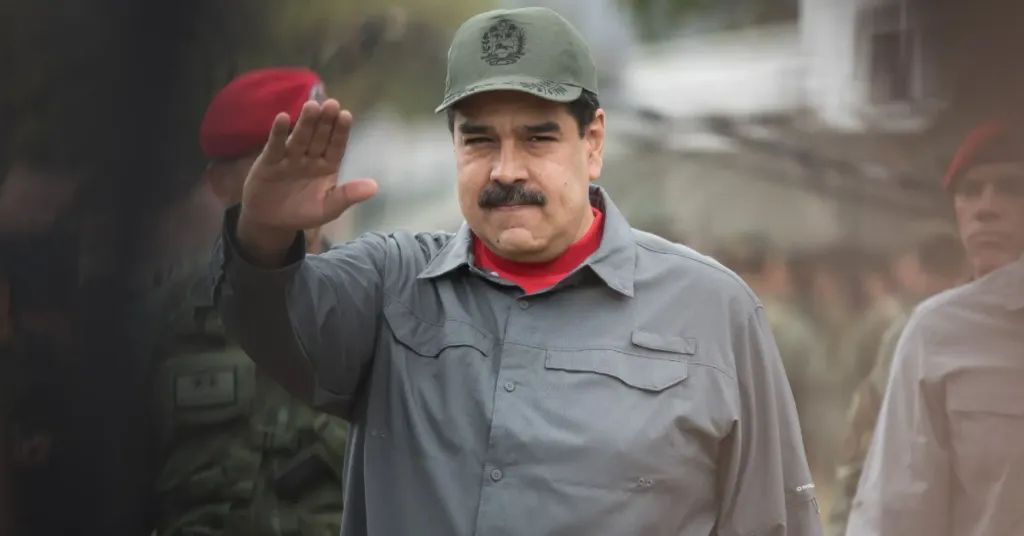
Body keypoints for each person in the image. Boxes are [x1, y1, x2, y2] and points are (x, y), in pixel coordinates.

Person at [216, 8, 822, 535]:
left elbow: (772, 519)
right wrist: (264, 230)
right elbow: (270, 320)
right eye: (479, 141)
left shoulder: (713, 310)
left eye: (538, 139)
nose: (506, 170)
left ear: (593, 143)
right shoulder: (389, 285)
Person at [149, 68, 347, 536]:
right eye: (278, 160)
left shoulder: (374, 307)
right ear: (219, 183)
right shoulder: (168, 322)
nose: (305, 177)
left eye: (319, 154)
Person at [846, 121, 1024, 536]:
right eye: (970, 191)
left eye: (1013, 187)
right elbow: (894, 505)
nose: (986, 207)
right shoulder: (932, 333)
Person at [826, 231, 966, 536]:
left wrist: (841, 523)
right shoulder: (995, 327)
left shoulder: (906, 329)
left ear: (911, 267)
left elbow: (865, 434)